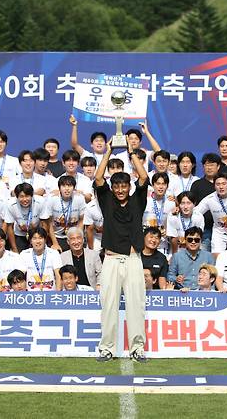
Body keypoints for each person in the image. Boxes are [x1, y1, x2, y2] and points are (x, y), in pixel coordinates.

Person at [94, 139, 149, 363]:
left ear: (129, 186)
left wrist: (131, 153)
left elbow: (144, 178)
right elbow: (98, 179)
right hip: (111, 259)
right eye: (116, 186)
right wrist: (108, 152)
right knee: (108, 304)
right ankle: (106, 348)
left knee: (136, 305)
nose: (119, 190)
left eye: (123, 186)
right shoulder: (107, 200)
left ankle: (137, 349)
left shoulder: (138, 201)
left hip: (134, 258)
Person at [190, 153, 221, 252]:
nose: (209, 167)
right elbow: (192, 204)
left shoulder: (222, 184)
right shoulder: (197, 184)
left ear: (218, 166)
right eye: (206, 165)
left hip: (221, 229)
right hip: (204, 229)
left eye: (212, 165)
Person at [46, 175, 86, 252]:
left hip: (73, 234)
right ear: (59, 188)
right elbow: (49, 223)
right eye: (63, 186)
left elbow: (81, 220)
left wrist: (77, 237)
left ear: (74, 188)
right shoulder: (51, 198)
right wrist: (55, 243)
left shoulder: (79, 198)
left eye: (70, 186)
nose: (67, 189)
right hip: (56, 236)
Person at [5, 183, 48, 253]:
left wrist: (43, 241)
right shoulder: (10, 204)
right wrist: (14, 249)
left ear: (32, 195)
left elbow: (44, 224)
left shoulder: (41, 202)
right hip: (19, 234)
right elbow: (10, 227)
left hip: (36, 234)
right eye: (21, 197)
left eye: (27, 196)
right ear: (16, 196)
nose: (25, 199)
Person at [143, 172, 175, 256]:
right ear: (153, 185)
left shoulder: (171, 204)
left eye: (164, 184)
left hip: (163, 245)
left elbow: (173, 225)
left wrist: (167, 232)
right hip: (146, 244)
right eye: (158, 184)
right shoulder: (145, 201)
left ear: (167, 186)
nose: (161, 187)